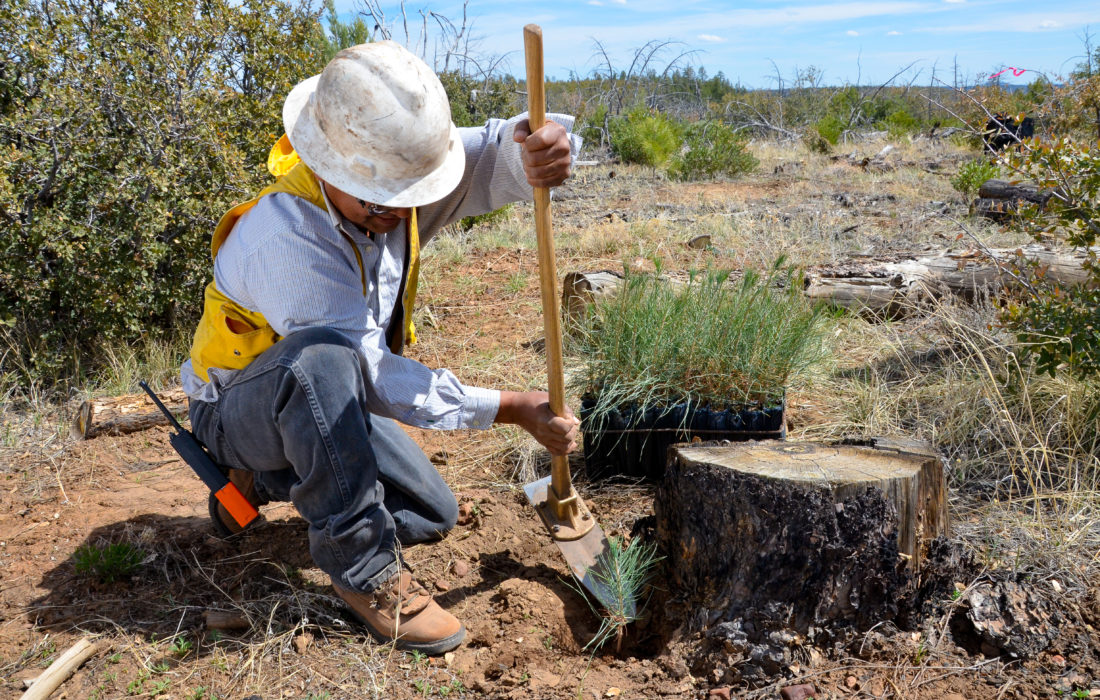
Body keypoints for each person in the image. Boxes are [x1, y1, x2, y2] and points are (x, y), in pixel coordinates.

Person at [179, 41, 581, 655]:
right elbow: (367, 373)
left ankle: (260, 478)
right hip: (238, 404)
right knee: (322, 361)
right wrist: (510, 407)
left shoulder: (393, 182)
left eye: (409, 191)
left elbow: (494, 154)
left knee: (429, 513)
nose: (398, 210)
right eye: (380, 198)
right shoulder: (289, 235)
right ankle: (365, 572)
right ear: (329, 168)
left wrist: (540, 145)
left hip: (319, 402)